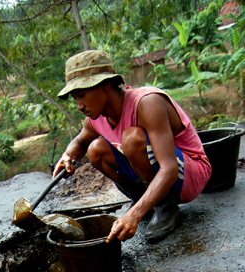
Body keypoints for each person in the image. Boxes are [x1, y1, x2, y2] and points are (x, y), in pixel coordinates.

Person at [53, 50, 212, 243]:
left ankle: (165, 207)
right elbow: (79, 142)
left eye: (82, 95)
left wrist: (133, 215)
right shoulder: (95, 118)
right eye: (75, 98)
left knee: (131, 138)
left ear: (105, 85)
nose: (79, 105)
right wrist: (67, 156)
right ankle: (144, 200)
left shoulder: (147, 103)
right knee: (95, 150)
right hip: (163, 174)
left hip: (189, 173)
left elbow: (169, 168)